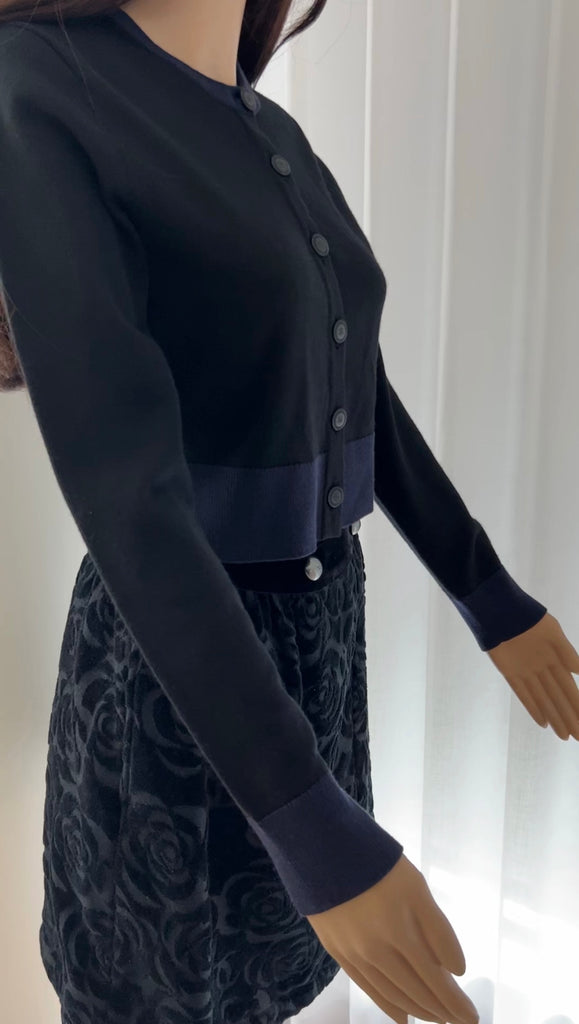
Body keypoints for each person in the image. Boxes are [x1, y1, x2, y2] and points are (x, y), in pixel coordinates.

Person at [3, 2, 575, 1023]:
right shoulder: (39, 81)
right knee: (157, 994)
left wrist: (492, 598)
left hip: (321, 649)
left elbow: (361, 399)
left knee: (265, 993)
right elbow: (128, 501)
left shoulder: (270, 130)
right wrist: (308, 821)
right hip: (175, 675)